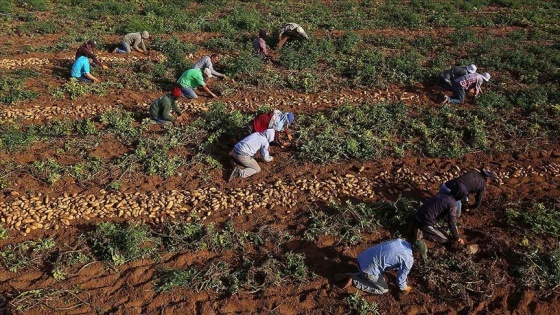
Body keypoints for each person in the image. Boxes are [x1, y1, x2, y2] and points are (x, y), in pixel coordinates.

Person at [335, 239, 427, 295]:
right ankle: (355, 281)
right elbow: (400, 281)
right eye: (420, 254)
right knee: (383, 289)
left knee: (374, 269)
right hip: (367, 269)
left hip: (361, 258)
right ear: (416, 252)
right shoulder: (408, 259)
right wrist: (405, 288)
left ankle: (350, 275)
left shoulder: (400, 241)